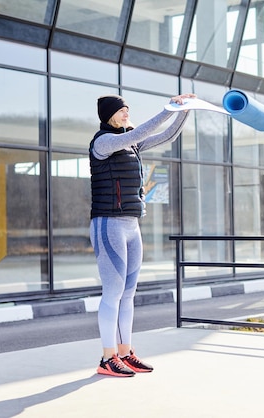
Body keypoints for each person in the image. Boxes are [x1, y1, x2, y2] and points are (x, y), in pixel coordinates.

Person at [89, 92, 195, 377]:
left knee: (128, 294)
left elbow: (167, 136)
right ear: (109, 115)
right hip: (108, 224)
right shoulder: (104, 142)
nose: (126, 112)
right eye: (121, 110)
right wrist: (168, 107)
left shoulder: (131, 145)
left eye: (128, 108)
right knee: (112, 293)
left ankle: (125, 352)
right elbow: (144, 130)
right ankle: (107, 358)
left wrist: (185, 109)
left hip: (131, 225)